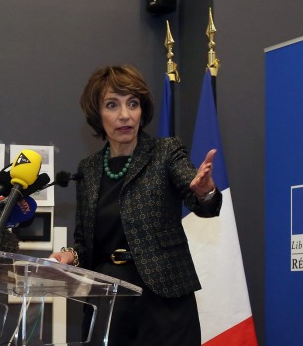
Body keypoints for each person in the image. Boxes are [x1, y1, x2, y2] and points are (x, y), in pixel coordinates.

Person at [49, 64, 222, 346]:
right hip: (108, 298)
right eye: (112, 105)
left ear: (142, 110)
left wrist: (205, 192)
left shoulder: (166, 152)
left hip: (164, 300)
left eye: (133, 103)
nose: (125, 115)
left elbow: (202, 203)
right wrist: (70, 255)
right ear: (98, 114)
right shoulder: (89, 170)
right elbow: (84, 243)